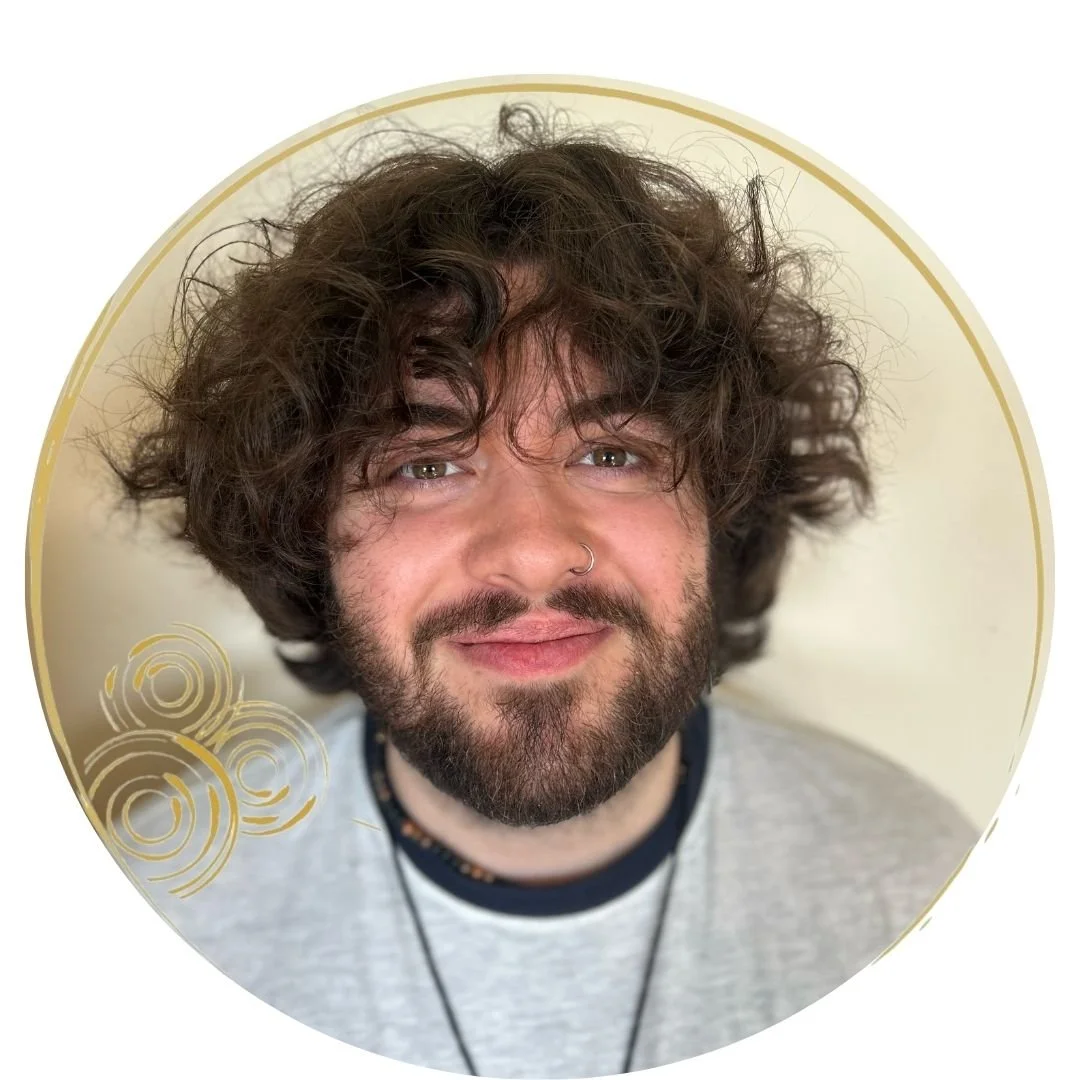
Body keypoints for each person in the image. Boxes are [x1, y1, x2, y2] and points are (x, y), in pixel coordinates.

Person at [100, 104, 975, 1078]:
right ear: (306, 536)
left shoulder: (918, 887)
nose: (531, 555)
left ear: (725, 513)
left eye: (612, 453)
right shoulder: (146, 926)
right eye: (425, 465)